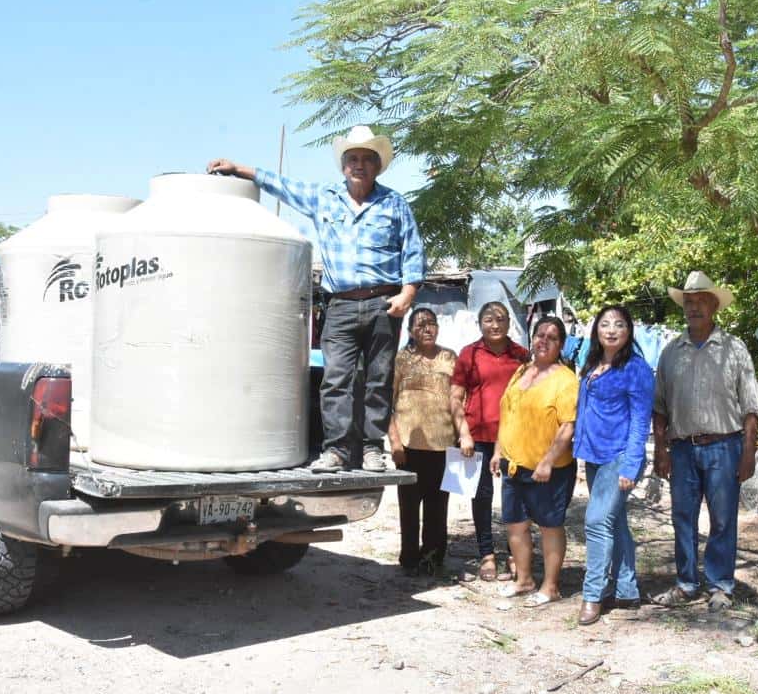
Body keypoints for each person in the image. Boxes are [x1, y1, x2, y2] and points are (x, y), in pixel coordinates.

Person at [207, 125, 425, 473]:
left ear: (377, 166)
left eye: (367, 159)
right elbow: (281, 184)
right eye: (352, 158)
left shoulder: (394, 203)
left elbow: (413, 250)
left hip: (384, 304)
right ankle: (337, 450)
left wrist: (408, 294)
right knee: (335, 378)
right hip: (339, 305)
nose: (358, 165)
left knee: (378, 379)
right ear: (343, 166)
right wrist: (239, 169)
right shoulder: (323, 197)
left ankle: (371, 449)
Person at [652, 271, 758, 612]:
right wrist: (660, 448)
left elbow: (751, 407)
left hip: (724, 447)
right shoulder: (671, 351)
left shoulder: (734, 349)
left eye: (701, 301)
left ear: (714, 305)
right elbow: (659, 406)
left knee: (723, 519)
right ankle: (686, 583)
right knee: (682, 517)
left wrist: (748, 452)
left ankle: (720, 585)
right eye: (689, 302)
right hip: (683, 448)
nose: (694, 307)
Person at [573, 306, 655, 626]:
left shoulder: (636, 368)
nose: (611, 330)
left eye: (618, 325)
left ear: (628, 331)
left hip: (619, 456)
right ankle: (626, 588)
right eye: (605, 324)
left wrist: (630, 466)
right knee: (615, 522)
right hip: (594, 455)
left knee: (595, 522)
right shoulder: (592, 362)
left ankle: (592, 595)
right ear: (596, 330)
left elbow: (639, 421)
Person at [491, 317, 579, 607]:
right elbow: (508, 414)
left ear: (561, 345)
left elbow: (568, 426)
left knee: (549, 526)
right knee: (515, 526)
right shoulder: (521, 372)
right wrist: (497, 451)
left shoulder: (565, 379)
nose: (543, 340)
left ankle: (551, 585)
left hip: (548, 470)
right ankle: (524, 580)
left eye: (552, 337)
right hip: (513, 465)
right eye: (540, 335)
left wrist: (547, 461)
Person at [451, 301, 529, 581]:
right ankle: (486, 554)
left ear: (509, 323)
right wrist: (463, 432)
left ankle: (513, 553)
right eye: (488, 319)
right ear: (479, 323)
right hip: (477, 437)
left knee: (516, 498)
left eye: (500, 319)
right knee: (481, 497)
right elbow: (455, 396)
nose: (494, 325)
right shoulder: (468, 354)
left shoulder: (521, 355)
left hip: (514, 438)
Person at [389, 307, 457, 576]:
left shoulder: (450, 357)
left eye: (432, 324)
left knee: (438, 507)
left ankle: (433, 557)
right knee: (408, 506)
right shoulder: (401, 359)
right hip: (408, 446)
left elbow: (458, 400)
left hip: (443, 444)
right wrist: (394, 442)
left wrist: (463, 435)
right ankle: (408, 559)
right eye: (420, 325)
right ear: (410, 332)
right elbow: (387, 403)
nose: (427, 329)